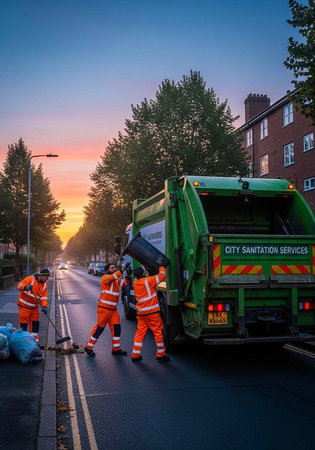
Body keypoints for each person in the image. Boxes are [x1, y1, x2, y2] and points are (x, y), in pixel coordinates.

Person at [84, 262, 132, 357]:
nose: (114, 269)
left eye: (114, 268)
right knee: (99, 329)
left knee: (116, 329)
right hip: (104, 309)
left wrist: (129, 276)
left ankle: (116, 348)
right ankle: (88, 347)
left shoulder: (117, 280)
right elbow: (111, 278)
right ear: (107, 270)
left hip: (113, 310)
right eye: (112, 268)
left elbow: (125, 284)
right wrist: (121, 270)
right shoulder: (105, 278)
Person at [131, 260, 170, 363]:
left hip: (141, 313)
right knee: (158, 332)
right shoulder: (149, 281)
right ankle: (161, 354)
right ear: (143, 273)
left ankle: (135, 355)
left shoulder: (135, 283)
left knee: (140, 333)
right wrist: (161, 266)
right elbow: (161, 276)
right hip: (152, 313)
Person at [16, 268, 50, 344]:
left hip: (34, 308)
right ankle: (21, 343)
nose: (47, 279)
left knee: (35, 325)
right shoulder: (30, 279)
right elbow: (18, 286)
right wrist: (25, 287)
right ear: (41, 276)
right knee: (23, 326)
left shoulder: (44, 286)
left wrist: (44, 307)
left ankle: (34, 343)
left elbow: (44, 298)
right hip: (24, 307)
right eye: (46, 277)